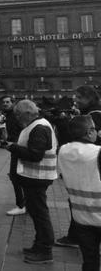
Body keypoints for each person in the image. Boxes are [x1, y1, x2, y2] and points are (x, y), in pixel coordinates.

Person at [4, 99, 57, 264]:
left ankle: (45, 250)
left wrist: (12, 147)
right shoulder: (36, 125)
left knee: (40, 214)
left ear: (28, 113)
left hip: (38, 178)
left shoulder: (39, 127)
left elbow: (35, 155)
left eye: (18, 115)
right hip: (34, 178)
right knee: (36, 212)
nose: (17, 118)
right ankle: (39, 245)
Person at [55, 85, 101, 248]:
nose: (76, 100)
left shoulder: (93, 116)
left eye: (79, 97)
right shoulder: (92, 114)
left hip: (91, 166)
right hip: (91, 165)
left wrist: (64, 124)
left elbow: (83, 139)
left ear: (89, 98)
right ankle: (75, 236)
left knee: (82, 203)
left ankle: (77, 237)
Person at [57, 115, 101, 271]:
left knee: (90, 261)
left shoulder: (63, 151)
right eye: (95, 128)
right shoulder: (97, 152)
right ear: (89, 132)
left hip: (81, 218)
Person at [2, 95, 26, 217]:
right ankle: (25, 203)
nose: (5, 104)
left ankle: (21, 205)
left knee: (15, 176)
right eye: (4, 102)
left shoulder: (15, 115)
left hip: (18, 149)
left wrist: (13, 144)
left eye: (7, 102)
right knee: (19, 176)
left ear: (13, 103)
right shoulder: (10, 115)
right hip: (16, 148)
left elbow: (23, 131)